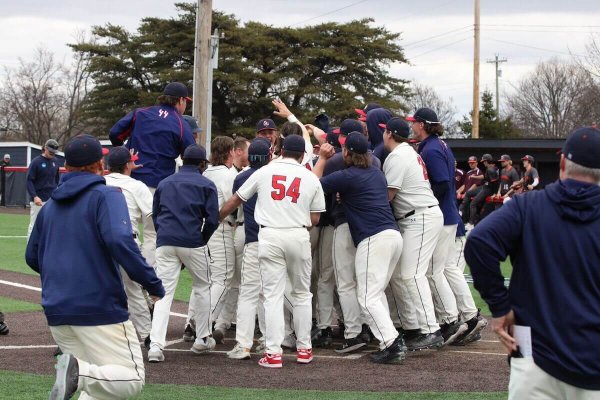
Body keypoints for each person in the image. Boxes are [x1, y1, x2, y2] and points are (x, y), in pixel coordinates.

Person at [25, 134, 164, 400]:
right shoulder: (107, 195)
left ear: (66, 168)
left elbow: (32, 257)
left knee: (100, 387)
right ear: (100, 164)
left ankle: (79, 374)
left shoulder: (51, 206)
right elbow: (119, 240)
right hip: (98, 308)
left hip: (57, 309)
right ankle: (80, 374)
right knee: (130, 379)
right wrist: (152, 282)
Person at [465, 127, 600, 399]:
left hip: (534, 359)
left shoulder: (527, 206)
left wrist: (500, 308)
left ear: (562, 163)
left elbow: (479, 242)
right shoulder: (528, 206)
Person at [219, 135, 326, 368]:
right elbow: (315, 219)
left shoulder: (264, 171)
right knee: (301, 294)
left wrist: (213, 219)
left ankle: (273, 353)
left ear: (280, 150)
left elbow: (236, 200)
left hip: (268, 235)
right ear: (301, 155)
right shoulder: (310, 176)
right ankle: (305, 349)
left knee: (273, 296)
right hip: (298, 234)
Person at [314, 132, 405, 364]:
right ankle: (390, 340)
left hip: (374, 238)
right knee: (375, 294)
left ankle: (392, 343)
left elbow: (310, 185)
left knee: (367, 296)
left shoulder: (347, 175)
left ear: (347, 152)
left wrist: (322, 160)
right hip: (393, 236)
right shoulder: (376, 172)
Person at [148, 144, 219, 363]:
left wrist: (164, 236)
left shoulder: (164, 182)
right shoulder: (207, 184)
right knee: (203, 286)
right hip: (192, 240)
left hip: (166, 240)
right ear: (201, 164)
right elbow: (213, 220)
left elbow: (156, 215)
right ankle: (202, 339)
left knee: (164, 293)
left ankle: (156, 346)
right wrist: (202, 240)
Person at [382, 117, 445, 350]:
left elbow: (388, 194)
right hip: (418, 216)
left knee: (412, 275)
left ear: (388, 134)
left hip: (419, 216)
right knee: (402, 274)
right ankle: (415, 326)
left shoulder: (398, 156)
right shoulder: (410, 152)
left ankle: (431, 329)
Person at [409, 107, 466, 345]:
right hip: (447, 213)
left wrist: (425, 198)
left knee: (433, 271)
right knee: (438, 270)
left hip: (441, 214)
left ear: (422, 124)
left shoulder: (431, 149)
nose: (412, 125)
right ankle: (456, 318)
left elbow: (442, 182)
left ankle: (451, 320)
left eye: (415, 122)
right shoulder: (437, 144)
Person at [322, 119, 380, 353]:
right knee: (365, 283)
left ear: (345, 144)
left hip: (345, 224)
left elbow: (315, 188)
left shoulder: (336, 161)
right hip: (370, 229)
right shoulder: (375, 162)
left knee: (345, 283)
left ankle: (353, 332)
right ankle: (368, 328)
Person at [104, 147, 155, 345]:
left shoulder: (100, 182)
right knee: (133, 290)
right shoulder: (137, 186)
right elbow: (152, 217)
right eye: (131, 161)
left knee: (99, 287)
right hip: (127, 241)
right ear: (127, 165)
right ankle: (148, 335)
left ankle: (86, 335)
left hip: (100, 242)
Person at [226, 138, 271, 360]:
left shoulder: (241, 177)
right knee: (270, 293)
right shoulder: (272, 174)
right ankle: (268, 340)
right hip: (274, 237)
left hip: (253, 236)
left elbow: (236, 203)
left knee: (249, 292)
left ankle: (243, 344)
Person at [109, 82, 196, 189]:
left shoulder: (141, 113)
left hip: (130, 179)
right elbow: (192, 156)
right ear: (181, 100)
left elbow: (115, 134)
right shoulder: (181, 124)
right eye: (186, 102)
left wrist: (123, 153)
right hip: (158, 184)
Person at [201, 136, 238, 343]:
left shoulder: (207, 172)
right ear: (229, 151)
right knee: (223, 279)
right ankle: (203, 324)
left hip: (203, 229)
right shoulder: (227, 174)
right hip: (219, 228)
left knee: (208, 280)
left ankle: (194, 322)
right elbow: (233, 202)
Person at [26, 139, 60, 238]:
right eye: (50, 152)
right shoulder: (36, 162)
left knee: (50, 225)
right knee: (34, 224)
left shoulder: (56, 162)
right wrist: (34, 196)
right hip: (38, 199)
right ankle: (30, 249)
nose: (52, 154)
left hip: (51, 199)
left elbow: (56, 179)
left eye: (54, 152)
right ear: (45, 148)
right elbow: (29, 181)